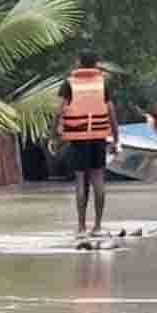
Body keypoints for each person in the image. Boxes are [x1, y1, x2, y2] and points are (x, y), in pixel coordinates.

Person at [58, 51, 120, 237]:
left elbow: (58, 110)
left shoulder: (69, 83)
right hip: (98, 136)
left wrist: (54, 134)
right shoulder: (103, 83)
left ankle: (81, 227)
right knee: (98, 179)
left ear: (78, 63)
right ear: (96, 64)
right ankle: (98, 226)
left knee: (80, 180)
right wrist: (116, 137)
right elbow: (111, 111)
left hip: (78, 137)